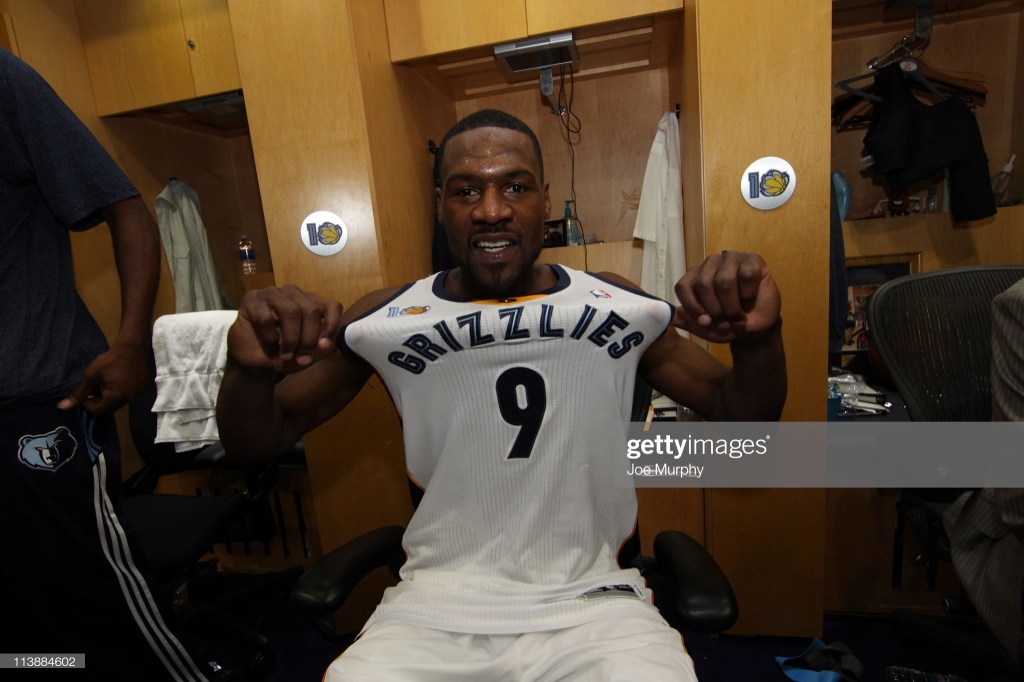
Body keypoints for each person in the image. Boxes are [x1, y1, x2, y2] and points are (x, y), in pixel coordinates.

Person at [218, 108, 787, 681]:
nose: (492, 211)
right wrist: (249, 374)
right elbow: (259, 443)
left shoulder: (616, 303)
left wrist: (760, 341)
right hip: (432, 606)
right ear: (442, 206)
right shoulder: (385, 317)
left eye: (515, 186)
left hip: (596, 604)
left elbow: (740, 420)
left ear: (545, 200)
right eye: (467, 191)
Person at [0, 48, 210, 680]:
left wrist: (131, 344)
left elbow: (126, 209)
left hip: (34, 407)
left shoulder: (6, 83)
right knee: (21, 635)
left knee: (94, 606)